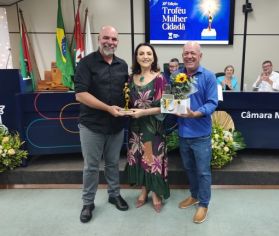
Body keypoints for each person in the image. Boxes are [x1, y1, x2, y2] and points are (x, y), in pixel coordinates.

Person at [74, 25, 129, 223]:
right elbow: (80, 94)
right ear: (99, 39)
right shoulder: (86, 63)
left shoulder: (122, 65)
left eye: (114, 39)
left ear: (117, 42)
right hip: (92, 126)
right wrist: (108, 108)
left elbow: (126, 93)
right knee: (91, 166)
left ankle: (114, 195)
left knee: (113, 163)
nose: (110, 42)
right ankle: (88, 202)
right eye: (106, 38)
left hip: (116, 126)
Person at [177, 41, 218, 224]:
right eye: (186, 53)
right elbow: (173, 100)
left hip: (200, 134)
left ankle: (204, 203)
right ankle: (194, 195)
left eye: (193, 53)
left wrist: (195, 113)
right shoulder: (177, 76)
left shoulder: (208, 76)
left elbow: (212, 103)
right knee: (189, 169)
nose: (189, 56)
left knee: (203, 172)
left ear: (200, 56)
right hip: (183, 133)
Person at [126, 42, 169, 213]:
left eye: (149, 53)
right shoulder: (130, 79)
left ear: (154, 57)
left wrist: (143, 113)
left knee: (150, 160)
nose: (145, 56)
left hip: (152, 129)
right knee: (138, 159)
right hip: (135, 129)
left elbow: (169, 106)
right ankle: (144, 190)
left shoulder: (161, 78)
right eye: (141, 53)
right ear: (136, 57)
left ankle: (156, 194)